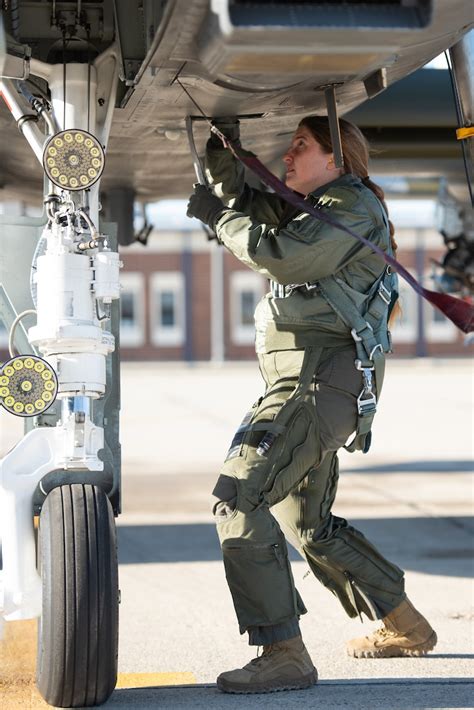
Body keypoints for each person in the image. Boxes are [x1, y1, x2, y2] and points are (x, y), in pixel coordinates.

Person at [186, 116, 437, 695]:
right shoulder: (323, 206)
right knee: (310, 525)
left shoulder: (347, 207)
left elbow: (279, 255)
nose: (289, 155)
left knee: (240, 498)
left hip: (313, 386)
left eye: (301, 145)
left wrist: (218, 218)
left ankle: (283, 653)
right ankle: (406, 624)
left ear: (337, 157)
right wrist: (224, 154)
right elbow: (257, 203)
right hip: (317, 387)